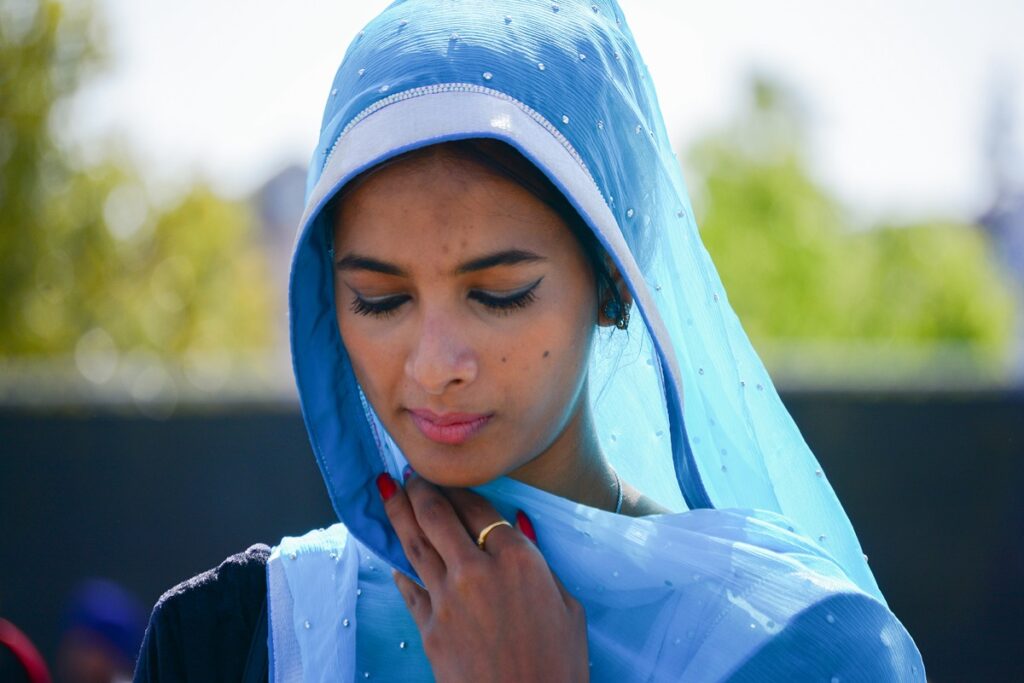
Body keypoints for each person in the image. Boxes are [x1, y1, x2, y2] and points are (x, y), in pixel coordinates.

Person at [135, 1, 925, 681]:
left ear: (615, 281)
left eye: (498, 294)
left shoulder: (799, 648)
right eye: (379, 300)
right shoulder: (237, 637)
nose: (435, 365)